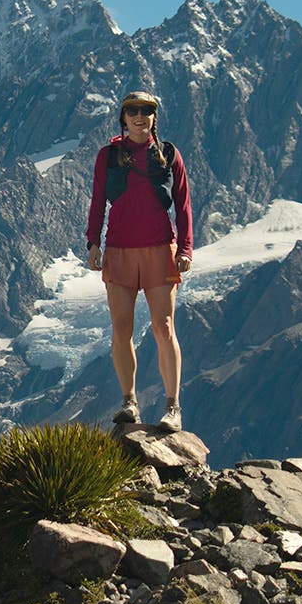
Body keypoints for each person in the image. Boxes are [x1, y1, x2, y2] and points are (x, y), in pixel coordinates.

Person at [86, 91, 193, 432]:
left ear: (154, 118)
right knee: (121, 329)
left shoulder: (168, 155)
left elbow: (183, 205)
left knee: (163, 328)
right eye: (132, 111)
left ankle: (172, 406)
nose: (139, 116)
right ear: (123, 117)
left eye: (146, 111)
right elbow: (98, 201)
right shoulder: (108, 156)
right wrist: (92, 242)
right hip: (118, 251)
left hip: (161, 249)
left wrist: (186, 249)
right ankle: (129, 402)